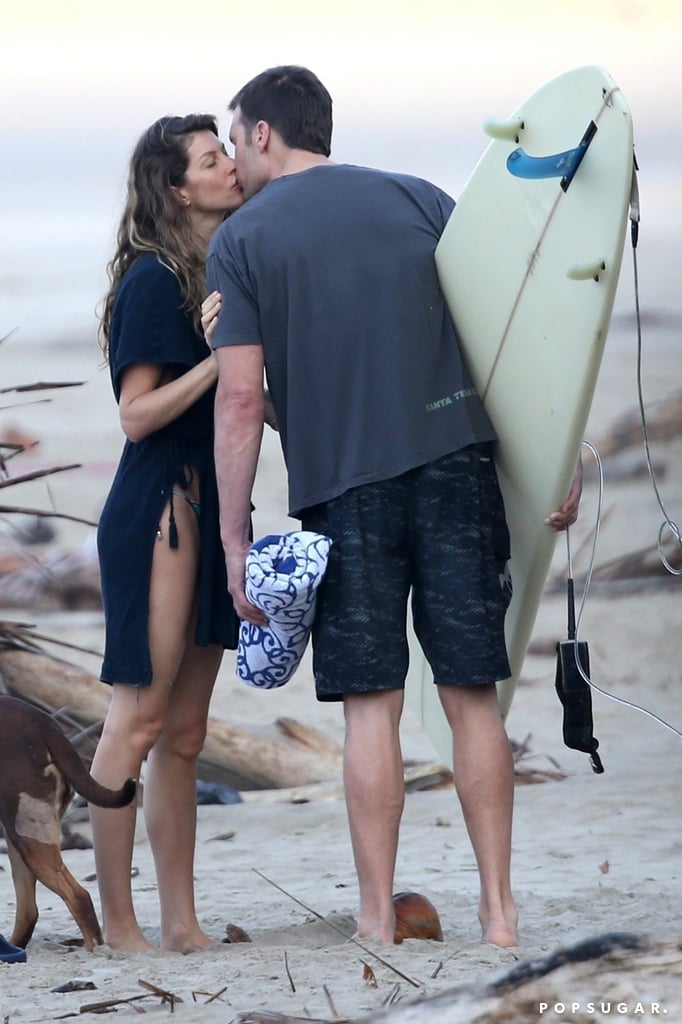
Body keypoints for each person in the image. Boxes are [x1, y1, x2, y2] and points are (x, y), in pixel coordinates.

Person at [207, 66, 582, 948]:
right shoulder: (420, 197)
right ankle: (499, 914)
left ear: (264, 134)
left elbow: (239, 402)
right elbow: (510, 329)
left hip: (347, 492)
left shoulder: (245, 238)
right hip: (457, 468)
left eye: (234, 140)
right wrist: (558, 451)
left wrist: (234, 536)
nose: (232, 158)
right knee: (473, 698)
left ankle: (376, 919)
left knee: (370, 705)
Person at [90, 114, 244, 953]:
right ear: (179, 189)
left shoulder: (215, 269)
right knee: (138, 723)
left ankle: (180, 923)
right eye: (214, 159)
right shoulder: (154, 280)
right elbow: (136, 414)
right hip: (160, 508)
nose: (229, 167)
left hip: (211, 506)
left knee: (185, 734)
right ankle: (119, 924)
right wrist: (219, 361)